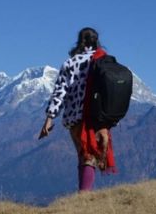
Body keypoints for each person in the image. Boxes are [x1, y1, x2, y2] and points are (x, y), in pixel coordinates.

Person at [38, 27, 115, 192]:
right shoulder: (104, 61)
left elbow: (60, 92)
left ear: (79, 41)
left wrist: (50, 118)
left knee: (84, 155)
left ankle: (83, 195)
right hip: (98, 117)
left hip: (75, 118)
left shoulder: (69, 63)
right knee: (89, 157)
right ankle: (84, 195)